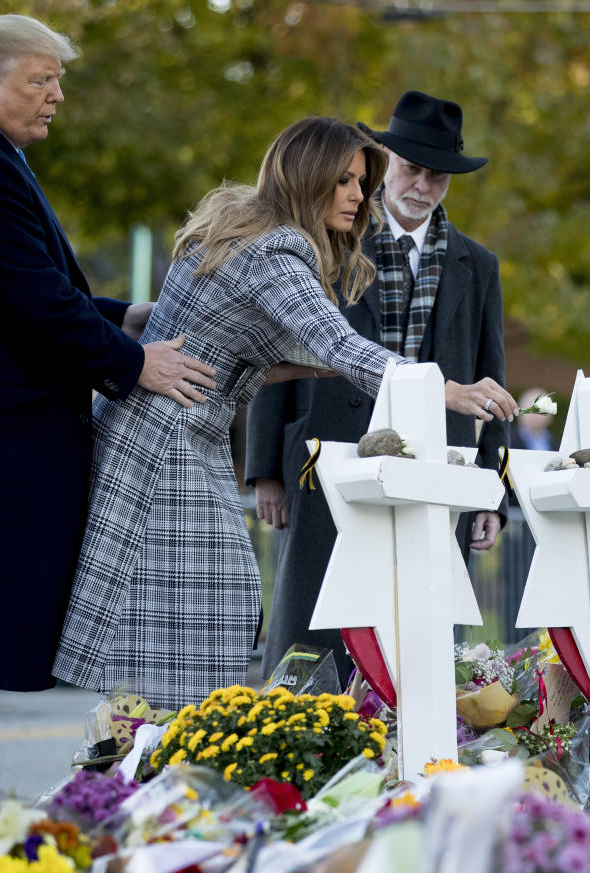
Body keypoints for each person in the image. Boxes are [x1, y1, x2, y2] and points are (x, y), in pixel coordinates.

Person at [53, 116, 516, 710]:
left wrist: (317, 367)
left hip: (173, 435)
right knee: (200, 620)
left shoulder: (248, 229)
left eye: (361, 182)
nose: (358, 196)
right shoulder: (274, 251)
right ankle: (157, 773)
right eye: (345, 181)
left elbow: (240, 356)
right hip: (164, 447)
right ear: (308, 176)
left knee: (181, 625)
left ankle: (152, 766)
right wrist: (445, 391)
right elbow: (339, 344)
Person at [0, 13, 216, 765]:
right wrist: (136, 363)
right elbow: (37, 308)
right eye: (42, 79)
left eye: (58, 78)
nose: (57, 94)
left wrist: (128, 315)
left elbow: (22, 295)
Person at [245, 91, 509, 685]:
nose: (423, 185)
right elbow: (273, 347)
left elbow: (491, 378)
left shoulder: (478, 263)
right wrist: (265, 468)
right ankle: (303, 731)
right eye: (413, 169)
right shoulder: (327, 238)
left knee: (423, 615)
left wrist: (494, 492)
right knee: (313, 613)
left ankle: (413, 745)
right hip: (326, 451)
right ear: (386, 161)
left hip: (437, 461)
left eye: (437, 176)